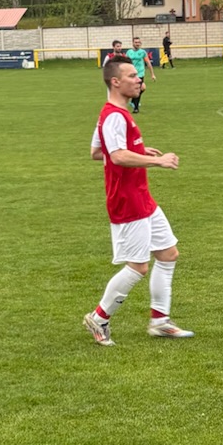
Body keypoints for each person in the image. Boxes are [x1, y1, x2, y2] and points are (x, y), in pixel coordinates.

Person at [84, 57, 193, 345]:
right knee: (138, 266)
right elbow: (117, 155)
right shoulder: (114, 116)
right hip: (127, 199)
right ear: (115, 82)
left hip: (142, 197)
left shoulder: (114, 114)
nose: (138, 79)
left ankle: (160, 322)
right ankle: (98, 318)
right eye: (132, 75)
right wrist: (156, 161)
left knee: (168, 254)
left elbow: (97, 151)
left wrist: (140, 150)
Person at [127, 32, 155, 107]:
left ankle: (134, 104)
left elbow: (148, 63)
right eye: (136, 42)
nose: (137, 44)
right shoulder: (129, 52)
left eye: (138, 42)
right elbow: (126, 63)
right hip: (132, 74)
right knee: (140, 88)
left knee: (141, 88)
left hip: (140, 73)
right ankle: (134, 103)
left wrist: (152, 74)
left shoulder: (142, 52)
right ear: (133, 43)